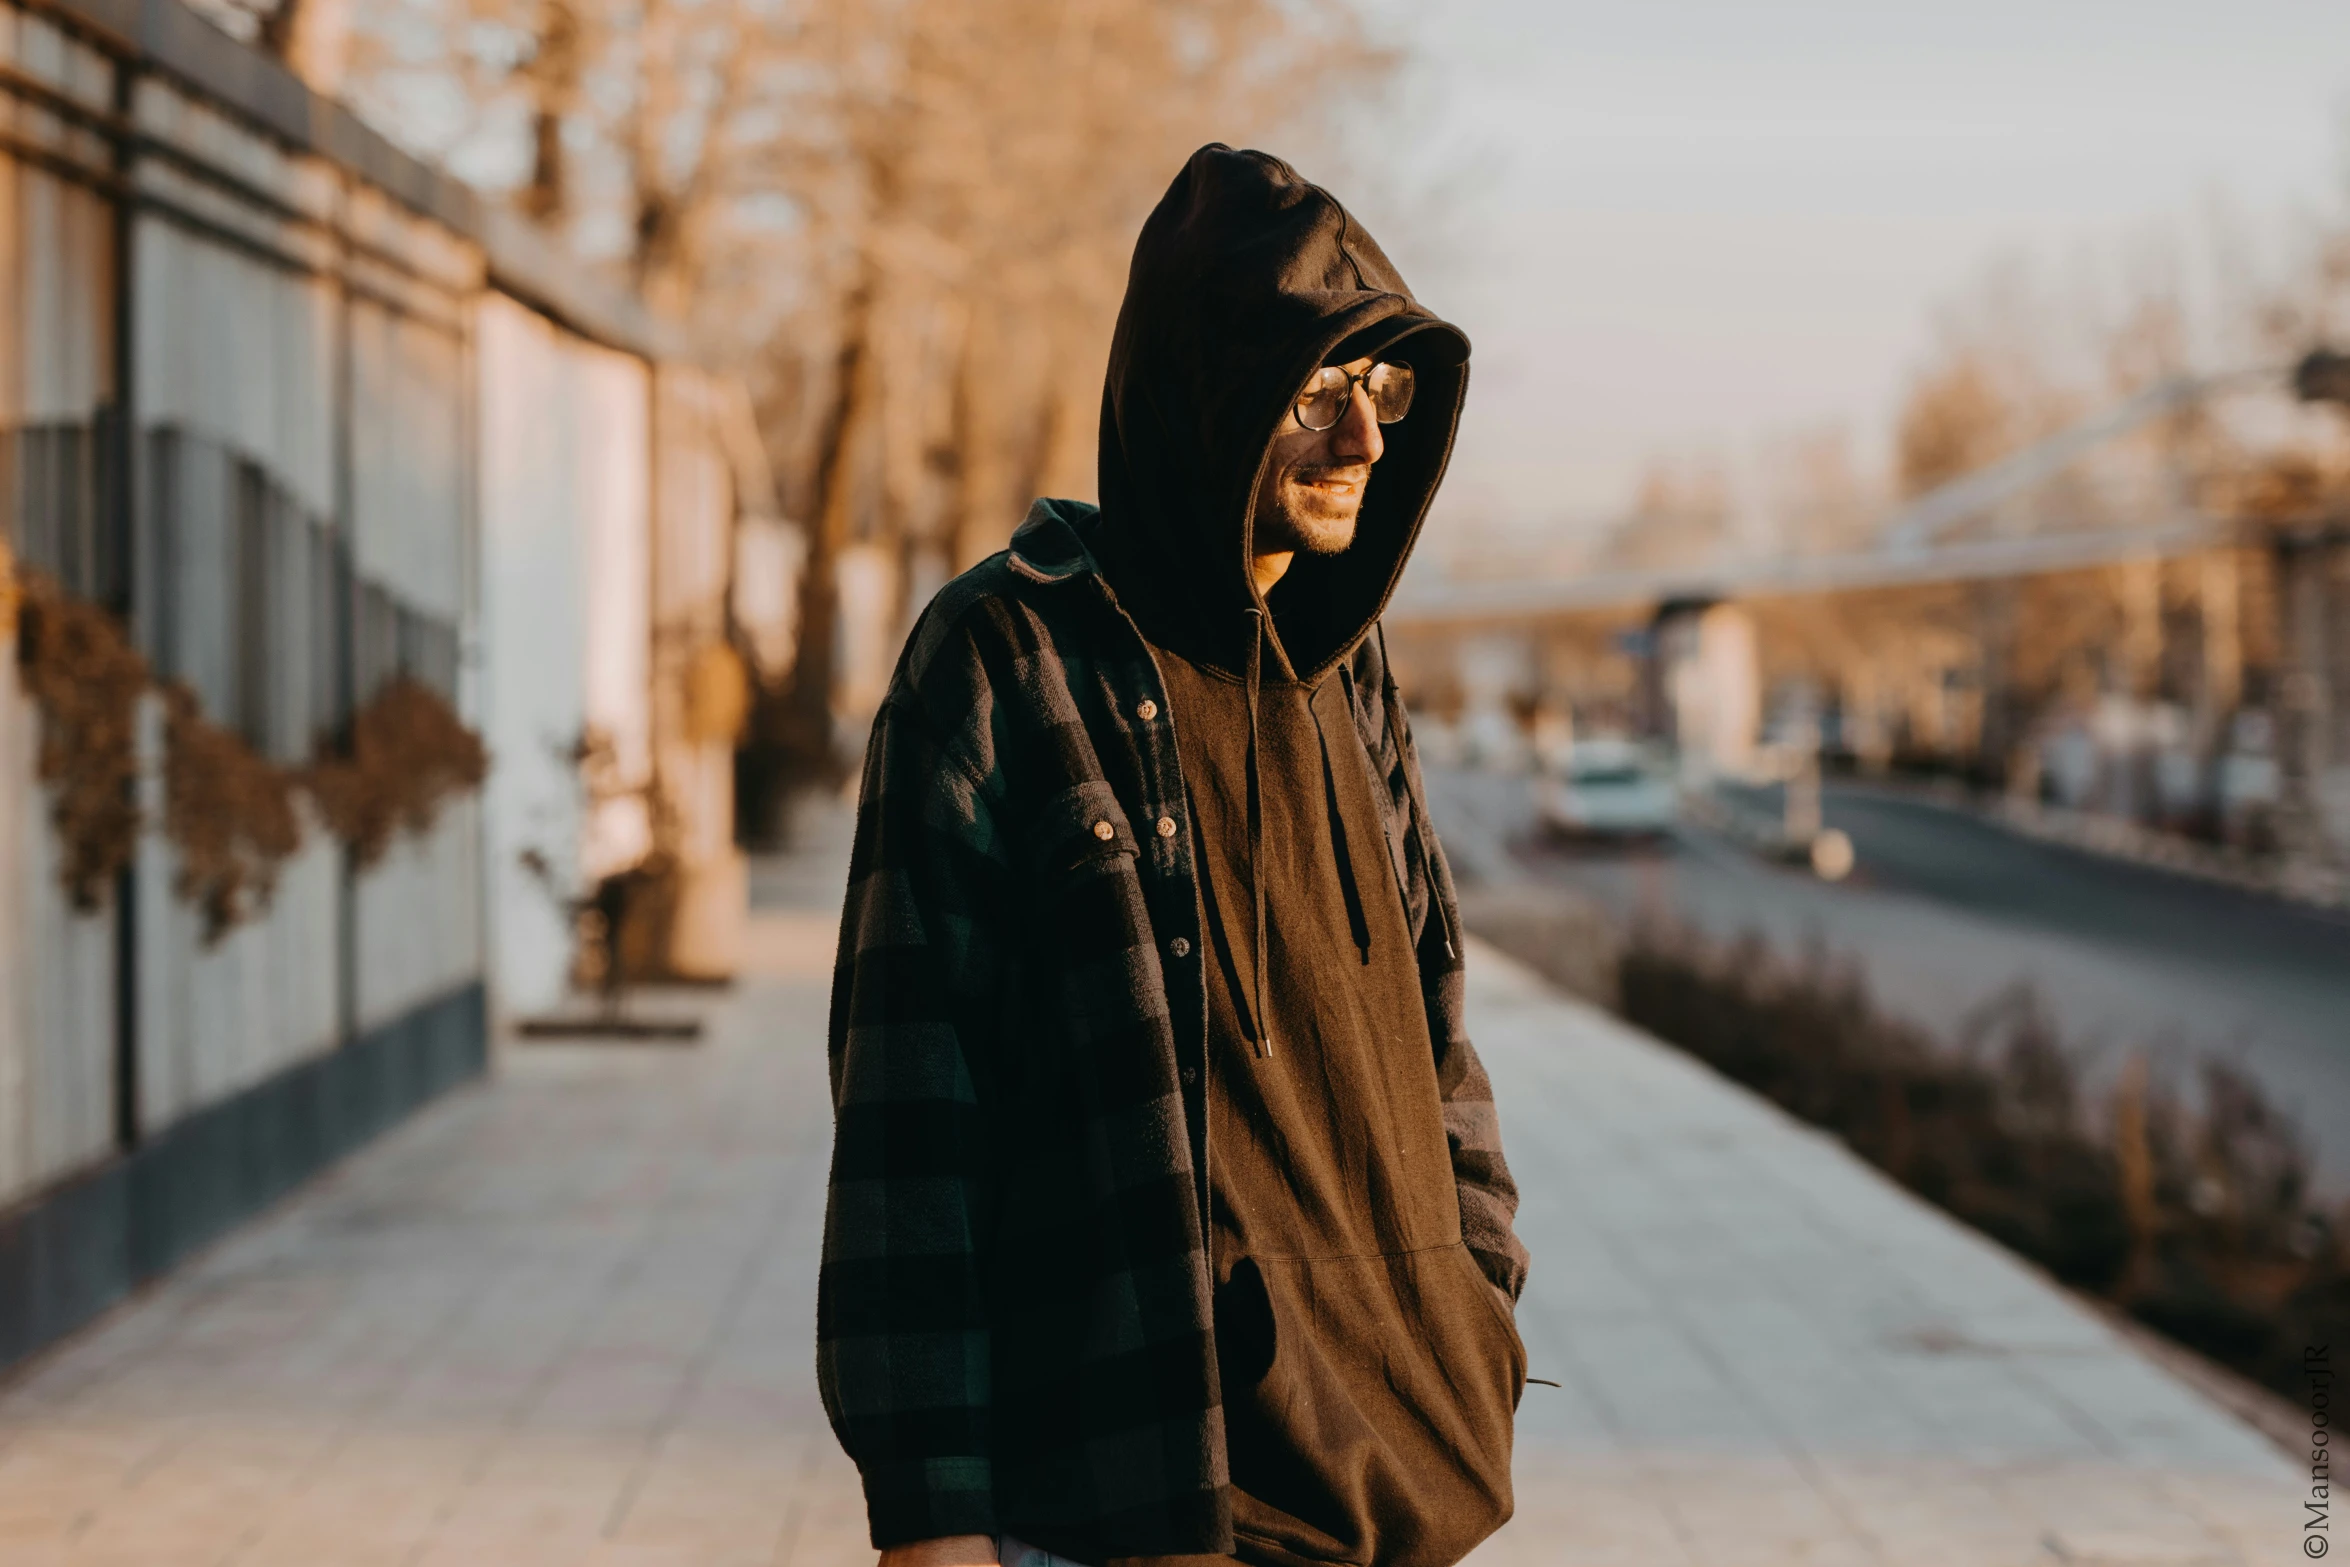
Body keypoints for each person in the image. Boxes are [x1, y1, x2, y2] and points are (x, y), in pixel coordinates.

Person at [819, 143, 1529, 1567]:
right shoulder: (1006, 658)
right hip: (1134, 1506)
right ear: (1207, 394)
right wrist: (929, 1517)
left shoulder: (1350, 672)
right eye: (1318, 393)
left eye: (1381, 391)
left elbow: (1434, 1032)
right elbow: (912, 1117)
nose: (1363, 441)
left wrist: (1473, 1303)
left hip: (1410, 1494)